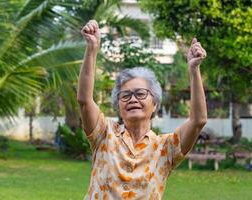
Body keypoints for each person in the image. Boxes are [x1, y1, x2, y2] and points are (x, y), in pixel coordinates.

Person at [78, 20, 207, 200]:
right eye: (125, 95)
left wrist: (194, 70)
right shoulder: (104, 133)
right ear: (119, 106)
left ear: (154, 103)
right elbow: (84, 100)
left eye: (140, 93)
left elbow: (198, 121)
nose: (132, 99)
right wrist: (92, 48)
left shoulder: (165, 148)